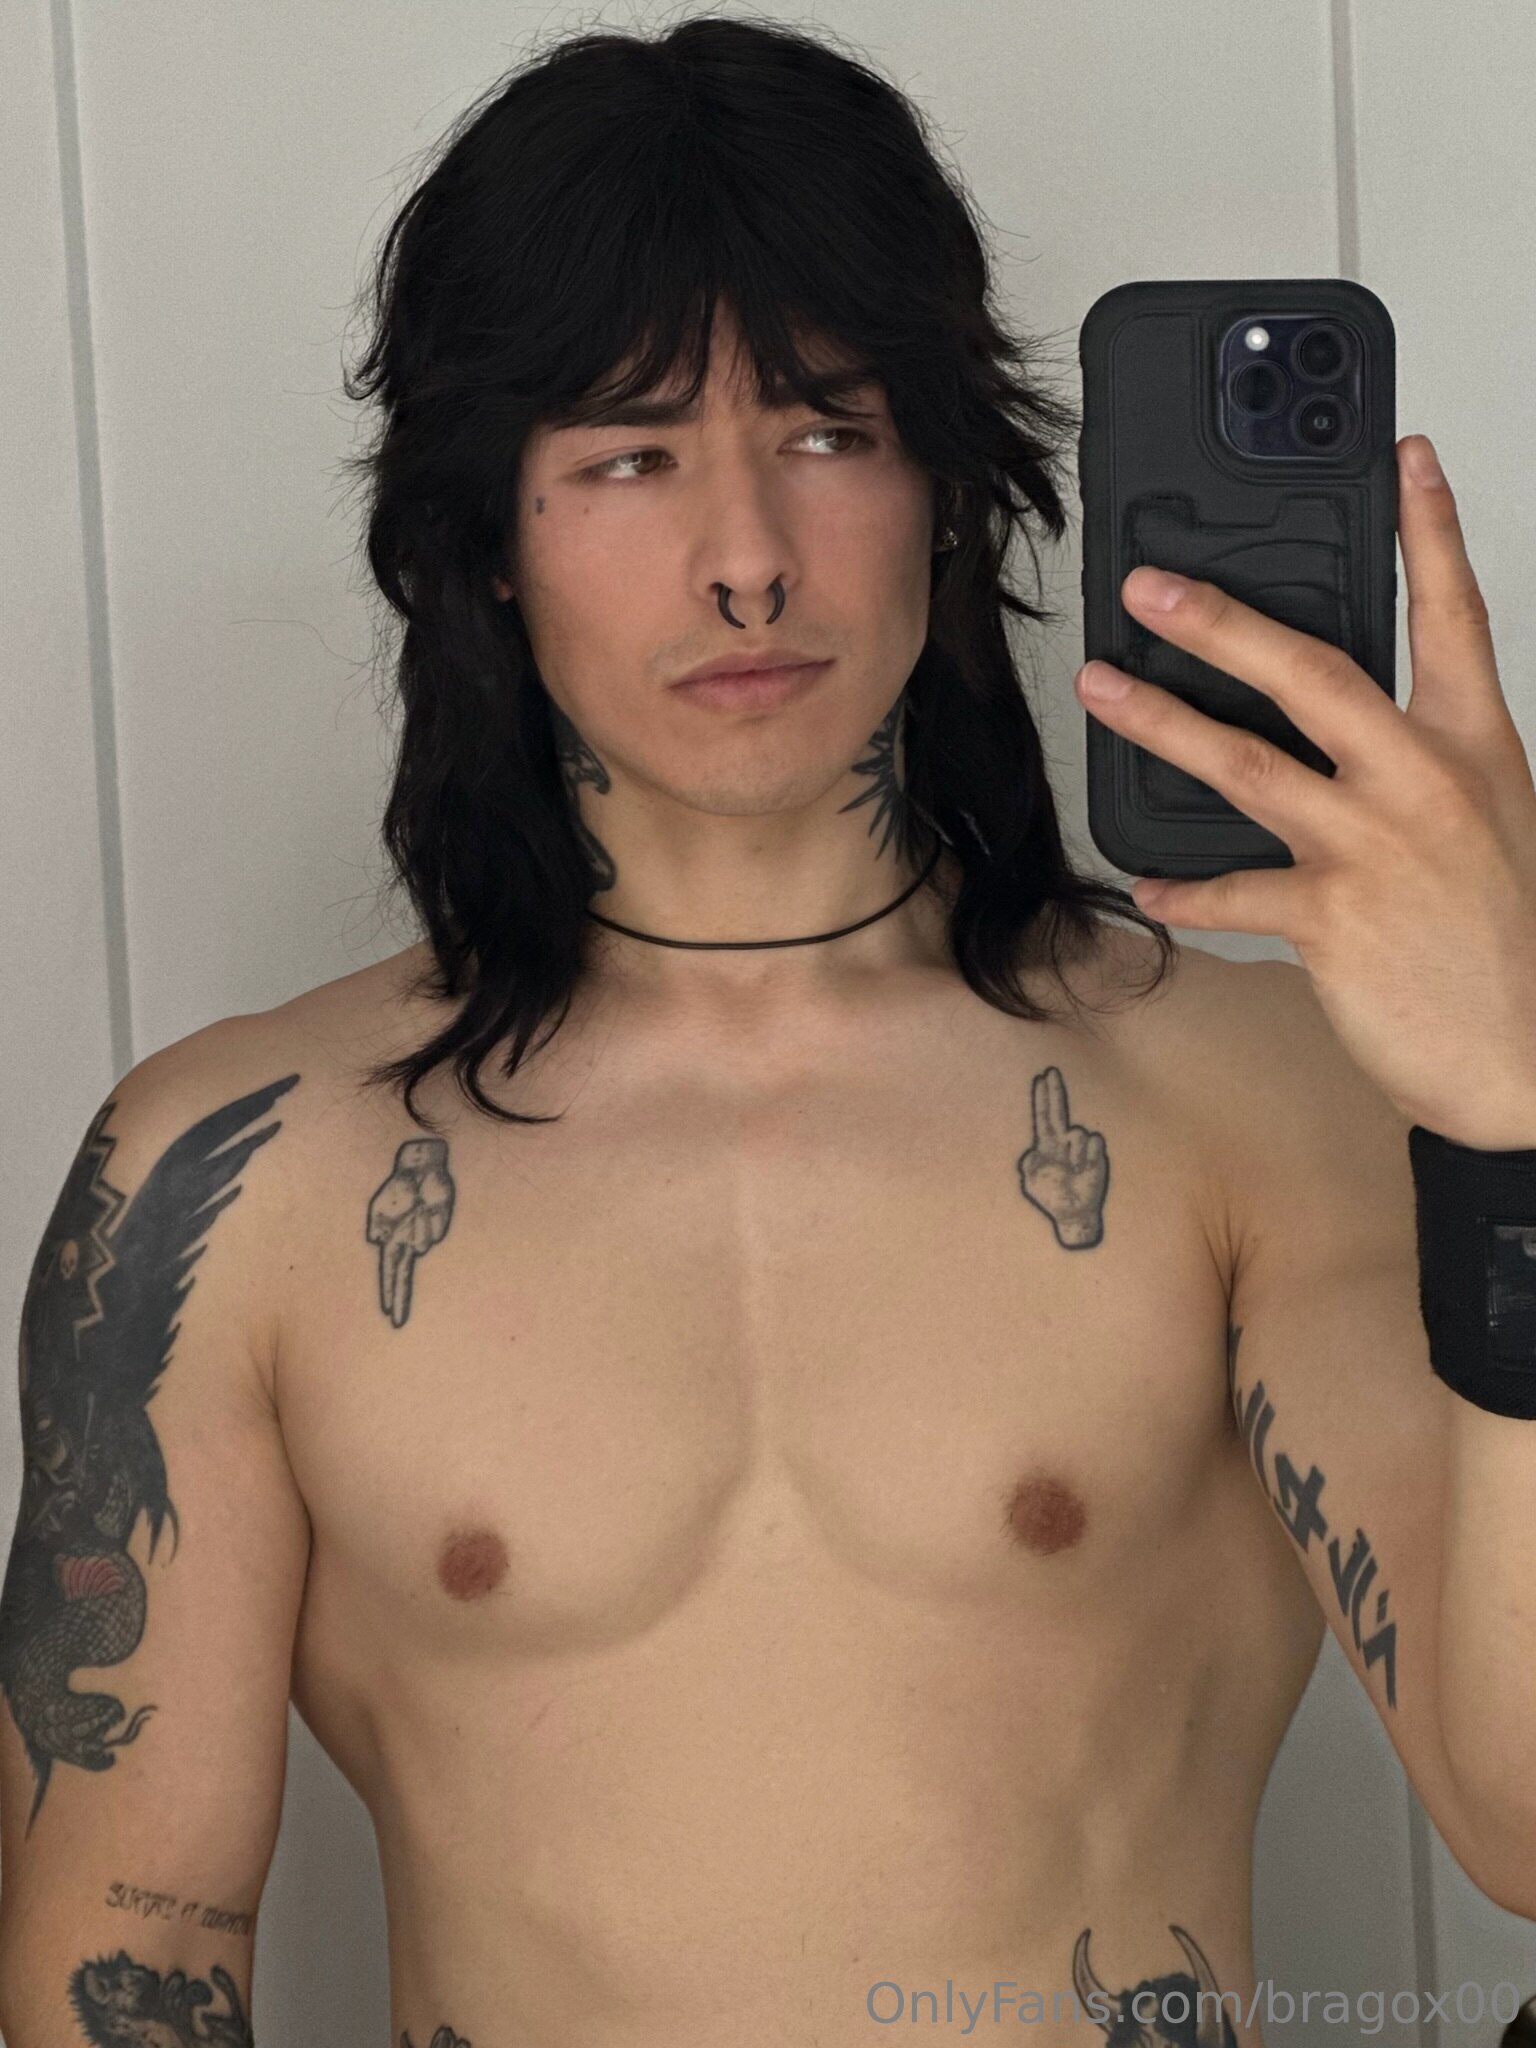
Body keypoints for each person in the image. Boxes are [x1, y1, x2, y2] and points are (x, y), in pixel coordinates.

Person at [2, 18, 1528, 2047]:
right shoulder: (240, 1178)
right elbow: (129, 1955)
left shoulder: (1256, 1096)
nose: (744, 562)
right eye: (630, 456)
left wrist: (1512, 1107)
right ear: (485, 538)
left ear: (950, 491)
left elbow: (1525, 1820)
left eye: (827, 433)